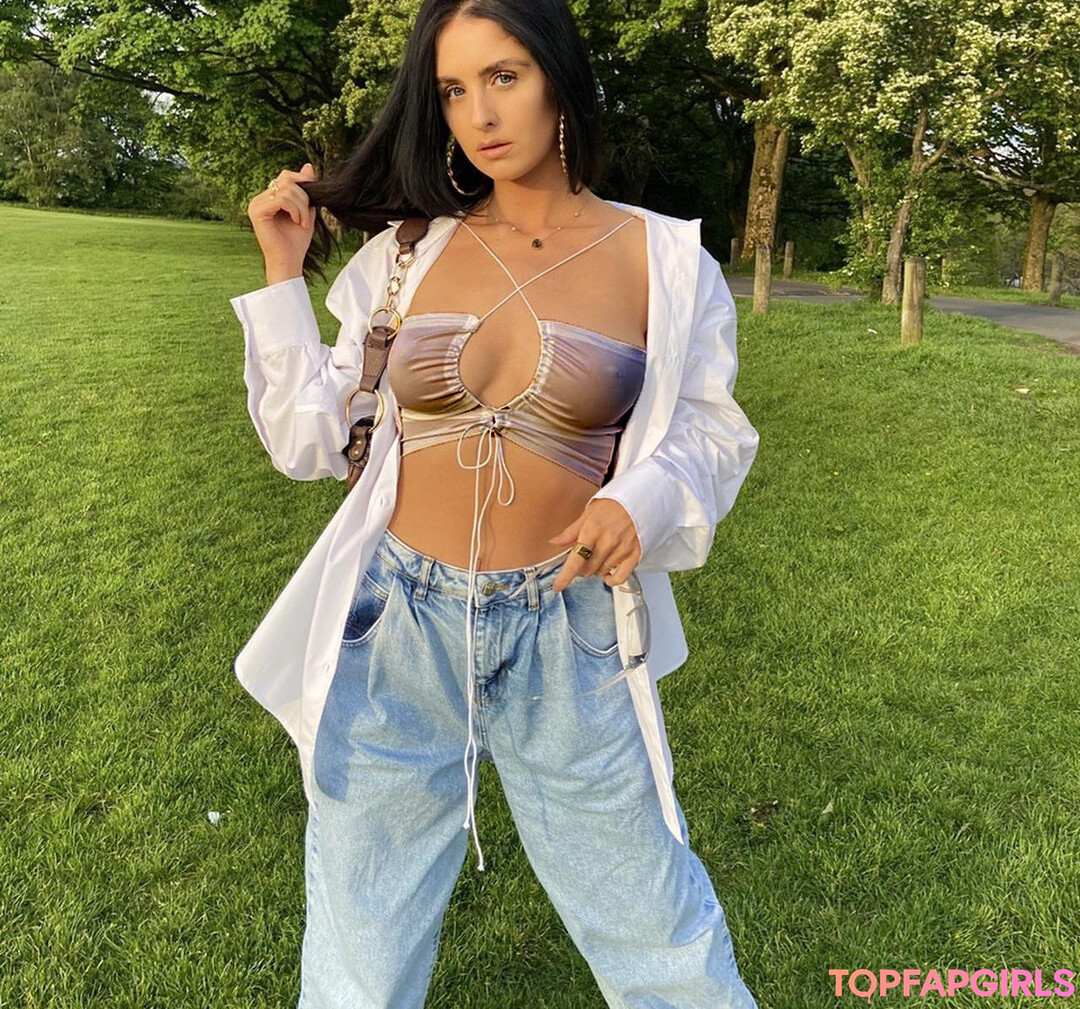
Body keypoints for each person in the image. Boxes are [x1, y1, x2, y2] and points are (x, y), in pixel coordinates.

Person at [228, 0, 761, 1005]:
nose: (479, 113)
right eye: (453, 89)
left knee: (655, 930)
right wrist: (281, 275)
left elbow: (710, 431)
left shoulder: (664, 260)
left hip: (569, 627)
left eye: (504, 76)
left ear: (559, 78)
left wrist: (642, 501)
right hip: (395, 624)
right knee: (359, 943)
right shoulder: (406, 255)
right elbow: (310, 439)